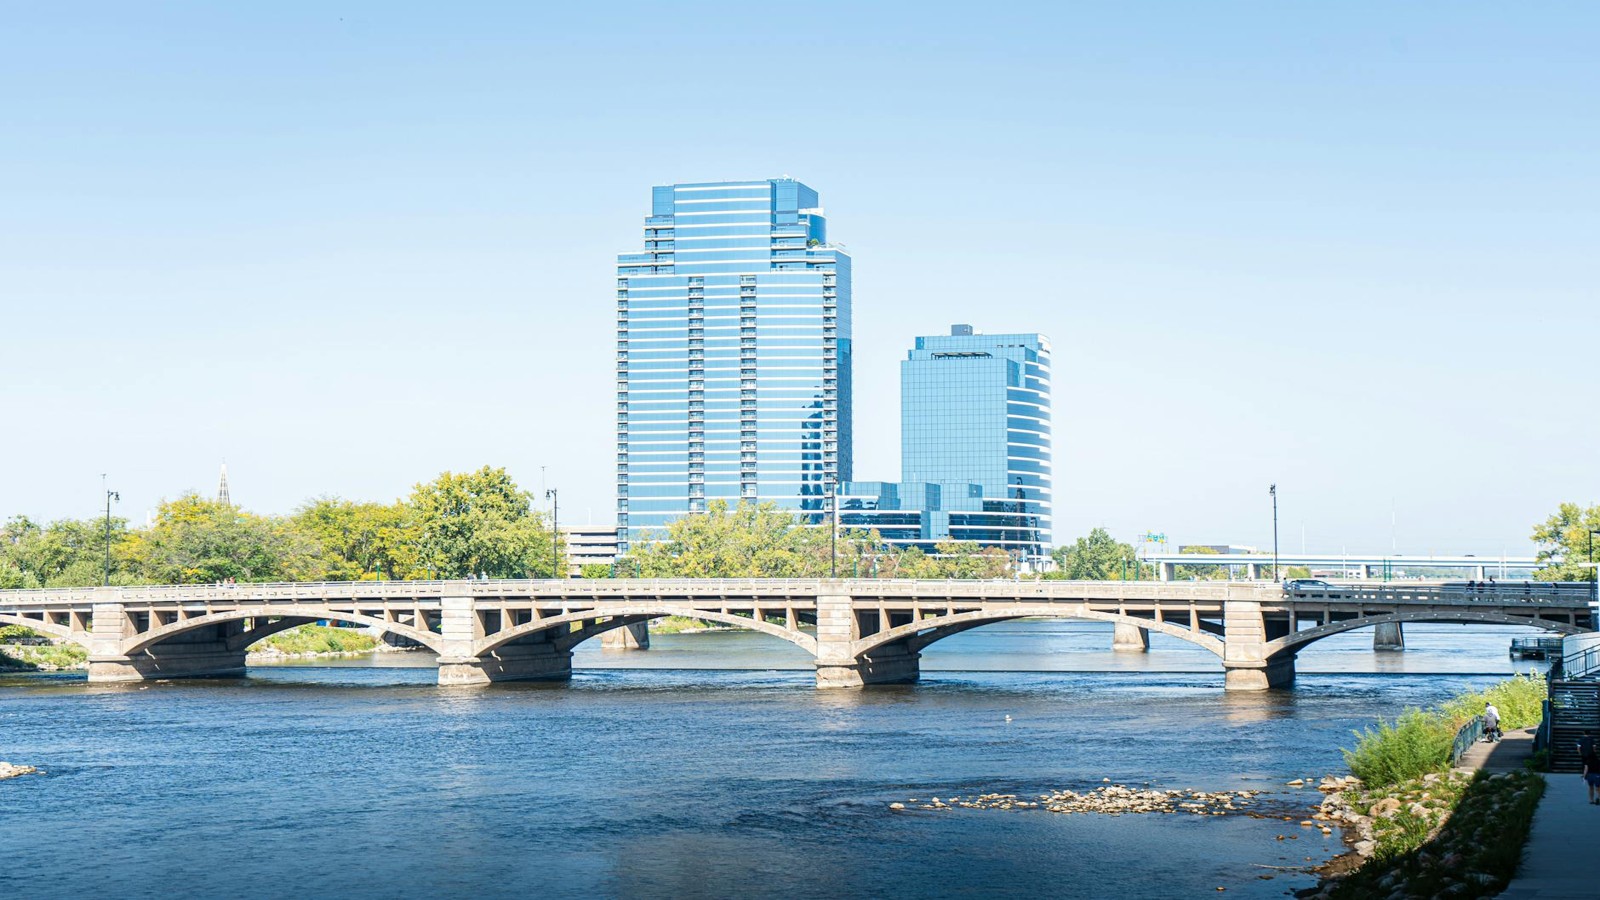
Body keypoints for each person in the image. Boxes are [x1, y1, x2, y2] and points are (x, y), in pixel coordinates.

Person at [1583, 741, 1600, 806]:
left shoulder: (1587, 761)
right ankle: (1598, 797)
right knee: (1598, 788)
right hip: (1597, 775)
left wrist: (1584, 776)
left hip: (1590, 775)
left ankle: (1591, 800)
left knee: (1591, 788)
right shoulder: (1598, 761)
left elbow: (1586, 769)